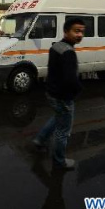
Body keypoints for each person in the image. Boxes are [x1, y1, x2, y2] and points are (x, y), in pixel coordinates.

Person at [32, 18, 85, 170]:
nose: (79, 34)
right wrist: (78, 89)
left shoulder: (56, 46)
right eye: (76, 31)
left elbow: (54, 71)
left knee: (58, 117)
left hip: (52, 92)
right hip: (63, 97)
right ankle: (59, 161)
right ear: (66, 31)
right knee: (63, 131)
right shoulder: (68, 52)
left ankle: (40, 140)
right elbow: (70, 79)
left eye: (82, 31)